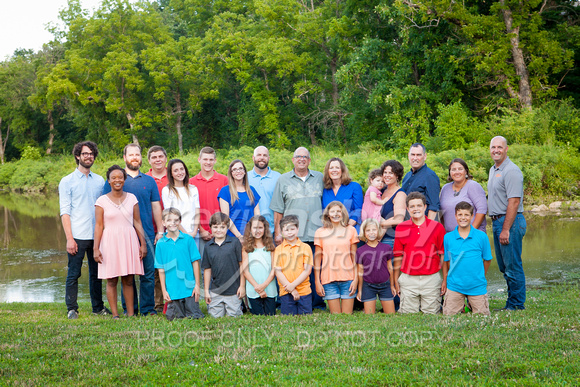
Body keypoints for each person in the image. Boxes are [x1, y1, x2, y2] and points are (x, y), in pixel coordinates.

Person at [102, 143, 163, 316]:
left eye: (137, 154)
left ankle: (147, 309)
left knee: (148, 275)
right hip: (122, 236)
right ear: (124, 158)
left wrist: (159, 230)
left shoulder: (149, 181)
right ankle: (130, 309)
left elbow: (156, 207)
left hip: (148, 234)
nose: (135, 157)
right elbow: (104, 209)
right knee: (126, 274)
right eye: (131, 155)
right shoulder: (116, 179)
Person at [59, 141, 110, 319]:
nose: (88, 156)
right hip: (77, 235)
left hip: (97, 235)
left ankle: (98, 307)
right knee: (74, 273)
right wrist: (69, 239)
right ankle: (72, 308)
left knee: (97, 274)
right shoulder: (67, 181)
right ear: (77, 156)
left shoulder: (99, 180)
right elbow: (65, 212)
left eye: (91, 154)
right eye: (85, 153)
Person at [270, 146, 325, 309]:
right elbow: (278, 209)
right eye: (298, 156)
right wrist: (278, 234)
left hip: (315, 233)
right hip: (291, 235)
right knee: (289, 268)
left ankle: (315, 302)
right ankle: (286, 301)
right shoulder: (283, 180)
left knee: (314, 269)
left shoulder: (319, 177)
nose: (301, 159)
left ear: (309, 160)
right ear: (293, 160)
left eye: (305, 156)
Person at [93, 165, 147, 319]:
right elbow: (98, 225)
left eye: (120, 177)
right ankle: (115, 315)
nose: (117, 180)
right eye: (114, 177)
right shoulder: (101, 201)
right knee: (111, 279)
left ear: (124, 179)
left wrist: (142, 244)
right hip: (109, 241)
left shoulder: (132, 198)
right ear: (109, 181)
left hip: (129, 240)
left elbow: (137, 222)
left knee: (129, 279)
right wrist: (96, 248)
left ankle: (131, 314)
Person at [488, 136, 527, 311]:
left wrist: (506, 229)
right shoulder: (494, 169)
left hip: (509, 221)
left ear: (506, 149)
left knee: (513, 266)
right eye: (493, 147)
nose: (496, 150)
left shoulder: (511, 171)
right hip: (498, 221)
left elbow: (514, 202)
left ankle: (516, 305)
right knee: (505, 266)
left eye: (500, 147)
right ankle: (512, 302)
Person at [393, 192, 447, 314]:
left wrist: (445, 279)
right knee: (408, 315)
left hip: (431, 278)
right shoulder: (401, 228)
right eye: (412, 206)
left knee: (431, 315)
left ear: (425, 207)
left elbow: (443, 255)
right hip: (408, 279)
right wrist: (396, 280)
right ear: (407, 209)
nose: (415, 209)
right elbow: (398, 256)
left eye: (419, 205)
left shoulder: (437, 227)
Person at [443, 202, 493, 316]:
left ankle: (470, 304)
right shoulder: (448, 237)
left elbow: (487, 259)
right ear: (455, 216)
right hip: (455, 285)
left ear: (472, 216)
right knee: (449, 316)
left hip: (476, 285)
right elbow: (446, 261)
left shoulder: (481, 236)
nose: (463, 218)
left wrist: (481, 275)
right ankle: (462, 306)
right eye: (460, 215)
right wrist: (445, 281)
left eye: (466, 215)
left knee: (482, 317)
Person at [155, 207, 204, 321]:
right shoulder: (161, 244)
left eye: (176, 220)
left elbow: (195, 263)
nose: (173, 223)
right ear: (163, 222)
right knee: (175, 318)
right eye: (169, 220)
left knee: (194, 317)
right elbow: (160, 269)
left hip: (189, 288)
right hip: (173, 290)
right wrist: (164, 290)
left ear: (180, 221)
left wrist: (197, 285)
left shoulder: (188, 239)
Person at [314, 201, 359, 314]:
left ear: (342, 213)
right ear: (328, 214)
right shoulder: (320, 232)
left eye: (338, 211)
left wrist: (356, 279)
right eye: (332, 211)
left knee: (347, 317)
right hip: (329, 279)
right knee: (336, 317)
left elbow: (355, 257)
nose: (335, 214)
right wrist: (317, 282)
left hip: (348, 279)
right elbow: (317, 260)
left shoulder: (351, 230)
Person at [202, 212, 245, 318]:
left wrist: (242, 286)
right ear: (211, 228)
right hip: (216, 291)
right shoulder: (208, 246)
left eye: (222, 227)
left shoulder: (234, 243)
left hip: (233, 291)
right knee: (215, 318)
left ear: (227, 228)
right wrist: (207, 291)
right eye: (215, 227)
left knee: (233, 317)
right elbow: (207, 269)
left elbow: (242, 265)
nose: (219, 230)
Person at [189, 147, 229, 257]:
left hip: (220, 230)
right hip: (200, 232)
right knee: (202, 266)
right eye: (205, 159)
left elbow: (227, 207)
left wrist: (219, 228)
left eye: (211, 159)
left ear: (215, 161)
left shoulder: (224, 180)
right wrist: (201, 229)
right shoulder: (191, 182)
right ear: (199, 160)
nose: (208, 162)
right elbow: (191, 209)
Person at [273, 215, 313, 315]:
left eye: (292, 229)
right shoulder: (278, 249)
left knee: (306, 319)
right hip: (286, 292)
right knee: (288, 320)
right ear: (282, 232)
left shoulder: (305, 247)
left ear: (297, 229)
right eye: (286, 230)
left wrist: (293, 286)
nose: (290, 232)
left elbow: (307, 270)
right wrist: (291, 289)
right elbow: (278, 271)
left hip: (304, 291)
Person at [145, 145, 168, 314]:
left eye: (160, 156)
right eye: (154, 157)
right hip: (150, 230)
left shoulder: (174, 175)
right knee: (154, 269)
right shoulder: (144, 179)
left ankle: (172, 301)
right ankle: (156, 304)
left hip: (172, 229)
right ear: (149, 161)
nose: (158, 160)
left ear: (165, 158)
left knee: (172, 267)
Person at [356, 218, 396, 314]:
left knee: (391, 315)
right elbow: (360, 272)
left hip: (385, 284)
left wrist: (392, 285)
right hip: (368, 285)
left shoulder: (386, 247)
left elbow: (390, 268)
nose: (371, 233)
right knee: (369, 316)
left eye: (374, 230)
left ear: (378, 231)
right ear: (364, 233)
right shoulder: (360, 250)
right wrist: (360, 290)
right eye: (368, 230)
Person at [439, 158, 487, 233]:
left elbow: (482, 210)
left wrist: (470, 232)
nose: (457, 172)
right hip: (451, 237)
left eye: (460, 169)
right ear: (450, 172)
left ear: (466, 171)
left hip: (472, 235)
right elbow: (441, 212)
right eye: (453, 169)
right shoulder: (445, 188)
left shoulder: (473, 186)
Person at [242, 215, 277, 316]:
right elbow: (245, 271)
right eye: (255, 228)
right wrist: (257, 287)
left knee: (270, 315)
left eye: (260, 228)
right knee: (259, 316)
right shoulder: (246, 248)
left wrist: (264, 285)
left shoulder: (271, 247)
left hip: (269, 287)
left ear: (265, 229)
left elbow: (274, 269)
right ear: (250, 229)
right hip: (254, 289)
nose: (258, 231)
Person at [218, 159, 260, 240]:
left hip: (251, 236)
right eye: (234, 169)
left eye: (240, 168)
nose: (238, 171)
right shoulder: (225, 191)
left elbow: (257, 214)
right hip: (232, 236)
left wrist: (254, 232)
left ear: (244, 171)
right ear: (231, 173)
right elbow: (225, 217)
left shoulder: (252, 190)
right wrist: (239, 236)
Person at [321, 157, 364, 230]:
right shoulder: (325, 190)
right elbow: (324, 212)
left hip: (351, 229)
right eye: (331, 168)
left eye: (337, 167)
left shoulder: (354, 187)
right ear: (328, 171)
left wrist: (347, 227)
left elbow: (358, 210)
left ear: (342, 170)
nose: (334, 170)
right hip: (331, 231)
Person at [162, 159, 200, 237]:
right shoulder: (167, 191)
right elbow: (171, 215)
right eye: (175, 170)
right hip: (176, 234)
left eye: (182, 169)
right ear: (171, 173)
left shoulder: (193, 189)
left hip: (194, 233)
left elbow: (197, 211)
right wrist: (186, 234)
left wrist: (194, 231)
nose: (180, 173)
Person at [401, 143, 440, 220]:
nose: (415, 158)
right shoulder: (407, 176)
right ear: (408, 156)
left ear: (424, 156)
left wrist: (427, 229)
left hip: (423, 224)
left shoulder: (430, 176)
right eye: (413, 155)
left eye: (418, 155)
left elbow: (434, 206)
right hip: (408, 223)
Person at [248, 146, 281, 232]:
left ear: (268, 158)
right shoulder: (245, 178)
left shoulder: (278, 177)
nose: (262, 158)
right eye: (259, 155)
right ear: (253, 157)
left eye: (265, 155)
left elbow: (281, 205)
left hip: (272, 230)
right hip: (250, 230)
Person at [379, 160, 407, 247]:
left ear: (397, 176)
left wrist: (377, 224)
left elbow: (398, 219)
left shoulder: (400, 194)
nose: (387, 175)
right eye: (385, 172)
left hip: (390, 240)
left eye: (390, 173)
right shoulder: (381, 190)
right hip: (376, 237)